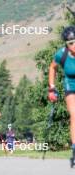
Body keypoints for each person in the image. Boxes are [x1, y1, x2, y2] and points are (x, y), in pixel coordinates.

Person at [48, 25, 75, 167]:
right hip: (71, 84)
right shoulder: (61, 54)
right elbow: (52, 67)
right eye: (71, 43)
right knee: (74, 115)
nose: (74, 45)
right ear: (66, 44)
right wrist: (52, 89)